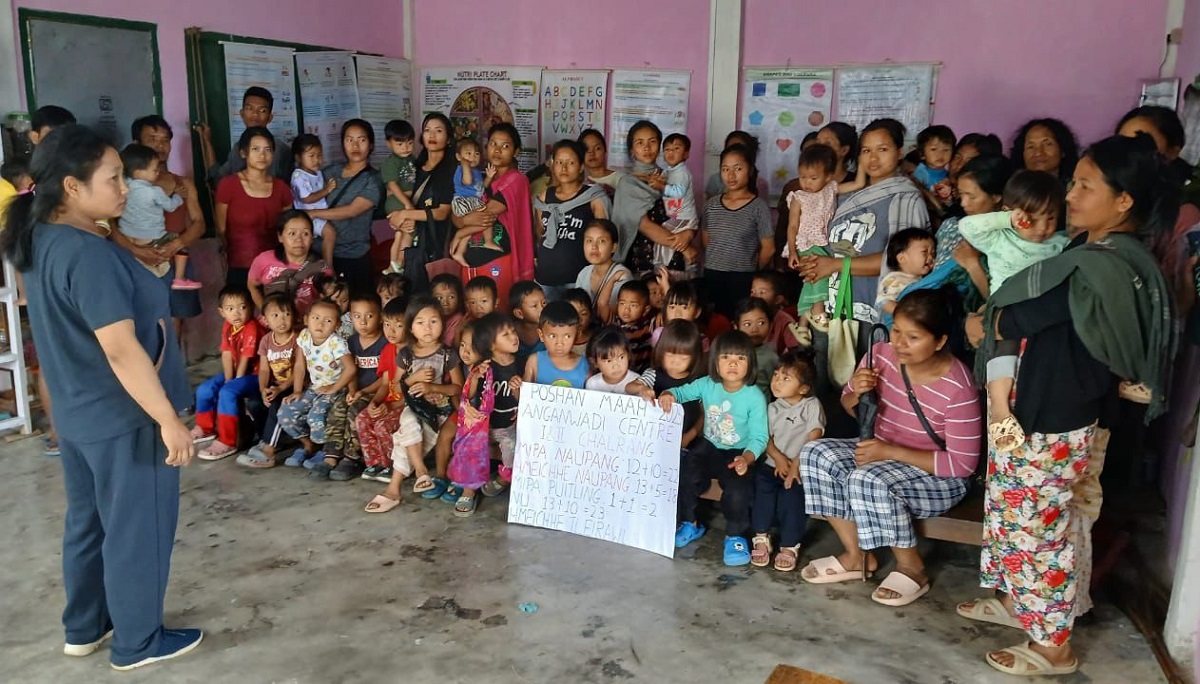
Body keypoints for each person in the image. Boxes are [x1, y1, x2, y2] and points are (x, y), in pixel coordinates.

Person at [960, 134, 1177, 677]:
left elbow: (1020, 317)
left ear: (1123, 200)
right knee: (1016, 514)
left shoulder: (1103, 264)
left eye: (1085, 185)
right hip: (1035, 406)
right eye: (1073, 182)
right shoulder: (1093, 255)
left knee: (1040, 531)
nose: (1072, 194)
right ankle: (1020, 607)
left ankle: (1053, 646)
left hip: (1057, 415)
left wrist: (989, 321)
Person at [4, 124, 201, 669]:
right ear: (72, 186)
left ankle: (85, 626)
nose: (125, 189)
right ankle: (138, 642)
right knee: (138, 528)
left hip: (77, 412)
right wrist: (167, 419)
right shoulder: (85, 253)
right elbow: (119, 348)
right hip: (124, 414)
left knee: (89, 523)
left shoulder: (43, 238)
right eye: (114, 178)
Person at [799, 290, 981, 608]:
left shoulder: (958, 387)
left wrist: (889, 452)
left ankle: (913, 568)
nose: (899, 343)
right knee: (817, 454)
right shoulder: (879, 353)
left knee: (866, 478)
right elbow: (850, 404)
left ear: (939, 341)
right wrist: (858, 392)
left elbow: (962, 466)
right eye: (896, 331)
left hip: (938, 476)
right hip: (881, 452)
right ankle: (857, 558)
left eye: (913, 337)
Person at [958, 171, 1068, 451]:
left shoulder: (1061, 244)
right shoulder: (1000, 238)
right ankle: (999, 408)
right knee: (1002, 349)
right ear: (1012, 214)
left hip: (1040, 322)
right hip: (1005, 313)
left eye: (1051, 217)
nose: (1042, 227)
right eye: (1032, 218)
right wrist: (1007, 220)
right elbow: (968, 227)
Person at [798, 118, 930, 330]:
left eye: (883, 149)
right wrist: (812, 262)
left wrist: (834, 265)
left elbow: (905, 262)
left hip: (873, 314)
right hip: (832, 308)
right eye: (866, 151)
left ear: (899, 152)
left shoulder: (905, 199)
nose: (873, 158)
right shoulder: (848, 195)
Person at [659, 330, 768, 566]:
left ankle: (735, 536)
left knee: (739, 489)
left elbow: (760, 437)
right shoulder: (707, 385)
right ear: (715, 361)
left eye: (740, 358)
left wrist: (747, 459)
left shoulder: (754, 396)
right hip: (710, 445)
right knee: (686, 468)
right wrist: (669, 394)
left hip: (739, 452)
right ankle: (690, 522)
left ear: (750, 363)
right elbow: (681, 392)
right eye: (726, 357)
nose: (732, 364)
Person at [122, 115, 207, 340]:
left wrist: (176, 245)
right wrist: (137, 251)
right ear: (136, 145)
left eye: (165, 140)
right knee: (137, 321)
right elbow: (110, 225)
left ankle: (171, 373)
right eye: (152, 139)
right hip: (135, 260)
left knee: (174, 322)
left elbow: (199, 224)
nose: (161, 145)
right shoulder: (123, 184)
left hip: (174, 260)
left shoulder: (183, 184)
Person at [374, 296, 464, 504]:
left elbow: (457, 387)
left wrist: (433, 387)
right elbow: (395, 387)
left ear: (442, 323)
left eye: (434, 321)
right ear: (411, 328)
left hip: (437, 411)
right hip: (414, 406)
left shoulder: (448, 354)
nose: (428, 328)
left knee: (404, 436)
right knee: (409, 423)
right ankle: (420, 471)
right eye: (420, 323)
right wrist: (413, 378)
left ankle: (394, 488)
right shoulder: (406, 355)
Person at [784, 143, 867, 341]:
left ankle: (803, 324)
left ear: (828, 176)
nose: (807, 183)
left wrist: (862, 163)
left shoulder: (831, 189)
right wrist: (793, 252)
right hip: (805, 243)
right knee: (820, 276)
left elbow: (859, 184)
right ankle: (819, 314)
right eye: (802, 177)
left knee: (811, 280)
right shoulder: (798, 197)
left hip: (824, 243)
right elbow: (792, 226)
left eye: (813, 178)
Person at [751, 350, 825, 572]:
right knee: (762, 494)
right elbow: (765, 438)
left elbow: (814, 437)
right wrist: (778, 458)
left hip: (799, 468)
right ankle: (762, 537)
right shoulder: (772, 407)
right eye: (776, 375)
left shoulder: (811, 406)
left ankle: (789, 545)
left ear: (803, 388)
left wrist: (795, 465)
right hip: (773, 465)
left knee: (792, 500)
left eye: (786, 378)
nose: (777, 381)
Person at [449, 124, 535, 305]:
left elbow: (485, 214)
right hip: (470, 263)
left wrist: (461, 227)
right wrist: (462, 219)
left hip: (499, 263)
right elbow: (457, 215)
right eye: (493, 144)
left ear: (516, 151)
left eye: (505, 146)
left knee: (497, 320)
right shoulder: (479, 178)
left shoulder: (516, 179)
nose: (497, 150)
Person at [313, 292, 386, 482]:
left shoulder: (386, 343)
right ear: (350, 318)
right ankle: (331, 455)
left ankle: (352, 457)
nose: (363, 322)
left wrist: (363, 392)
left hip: (376, 392)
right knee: (337, 409)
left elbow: (386, 378)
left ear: (380, 317)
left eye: (369, 316)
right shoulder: (351, 342)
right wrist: (353, 390)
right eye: (357, 316)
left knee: (355, 411)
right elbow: (350, 370)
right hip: (356, 390)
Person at [306, 120, 384, 292]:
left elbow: (352, 210)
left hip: (352, 257)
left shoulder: (373, 179)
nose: (355, 145)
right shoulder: (330, 171)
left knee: (353, 312)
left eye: (361, 140)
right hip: (317, 253)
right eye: (349, 139)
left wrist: (313, 213)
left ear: (370, 145)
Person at [278, 299, 355, 469]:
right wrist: (297, 390)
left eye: (328, 321)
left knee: (316, 417)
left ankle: (324, 450)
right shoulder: (304, 336)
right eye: (316, 318)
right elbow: (300, 365)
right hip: (314, 388)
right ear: (306, 319)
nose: (320, 324)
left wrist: (334, 388)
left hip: (335, 388)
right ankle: (307, 445)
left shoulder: (336, 343)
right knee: (287, 412)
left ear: (337, 325)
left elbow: (350, 369)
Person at [612, 120, 697, 273]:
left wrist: (688, 234)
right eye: (640, 143)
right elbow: (645, 225)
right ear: (632, 150)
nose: (646, 147)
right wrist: (684, 248)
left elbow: (685, 210)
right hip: (644, 259)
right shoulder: (628, 183)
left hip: (673, 257)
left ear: (659, 147)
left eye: (652, 142)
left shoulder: (668, 177)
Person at [214, 127, 293, 289]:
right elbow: (221, 229)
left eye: (268, 150)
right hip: (239, 265)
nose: (262, 155)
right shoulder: (228, 185)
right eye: (255, 149)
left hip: (274, 267)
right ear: (244, 153)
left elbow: (288, 229)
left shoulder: (282, 188)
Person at [387, 113, 457, 293]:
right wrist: (397, 218)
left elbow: (442, 212)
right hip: (413, 242)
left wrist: (405, 214)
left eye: (438, 131)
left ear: (448, 138)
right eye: (427, 130)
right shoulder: (414, 168)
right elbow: (398, 197)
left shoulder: (452, 170)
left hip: (435, 242)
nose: (432, 135)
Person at [533, 139, 611, 300]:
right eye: (559, 162)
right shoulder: (544, 197)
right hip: (546, 279)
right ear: (552, 165)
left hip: (579, 280)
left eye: (571, 162)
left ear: (581, 166)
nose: (563, 167)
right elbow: (539, 233)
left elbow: (606, 239)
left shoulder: (593, 197)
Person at [703, 144, 775, 317]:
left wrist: (750, 267)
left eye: (738, 169)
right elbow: (706, 240)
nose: (731, 175)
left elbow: (769, 248)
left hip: (743, 277)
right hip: (713, 274)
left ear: (750, 170)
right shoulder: (711, 205)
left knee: (740, 320)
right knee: (714, 321)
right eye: (725, 169)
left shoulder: (758, 207)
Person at [191, 286, 263, 460]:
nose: (237, 313)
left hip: (255, 375)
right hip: (237, 372)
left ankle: (227, 441)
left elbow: (246, 357)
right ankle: (205, 428)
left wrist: (233, 382)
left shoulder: (252, 327)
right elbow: (227, 353)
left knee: (227, 392)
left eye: (242, 307)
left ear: (251, 308)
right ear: (222, 312)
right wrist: (228, 378)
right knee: (205, 389)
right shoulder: (228, 327)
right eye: (230, 309)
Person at [115, 144, 197, 290]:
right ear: (139, 172)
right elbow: (170, 206)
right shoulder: (155, 191)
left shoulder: (123, 187)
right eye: (154, 169)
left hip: (127, 236)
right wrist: (178, 196)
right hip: (152, 238)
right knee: (182, 245)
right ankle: (179, 278)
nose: (158, 172)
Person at [237, 293, 299, 469]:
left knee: (278, 402)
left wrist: (281, 389)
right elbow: (264, 369)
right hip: (275, 385)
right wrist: (264, 388)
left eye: (287, 314)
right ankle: (269, 439)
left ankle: (268, 453)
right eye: (275, 315)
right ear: (265, 320)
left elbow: (300, 370)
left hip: (294, 385)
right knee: (255, 403)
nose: (282, 320)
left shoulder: (298, 339)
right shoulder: (266, 341)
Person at [356, 296, 408, 485]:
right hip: (389, 402)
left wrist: (393, 405)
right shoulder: (388, 350)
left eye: (398, 325)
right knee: (362, 418)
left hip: (405, 405)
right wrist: (375, 402)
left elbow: (415, 393)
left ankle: (394, 466)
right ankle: (375, 463)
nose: (391, 331)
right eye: (386, 324)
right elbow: (385, 384)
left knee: (382, 425)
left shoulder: (416, 352)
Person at [446, 320, 492, 517]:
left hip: (485, 422)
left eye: (472, 347)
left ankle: (469, 490)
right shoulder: (470, 367)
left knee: (470, 445)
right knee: (458, 442)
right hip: (468, 419)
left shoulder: (487, 368)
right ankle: (459, 479)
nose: (465, 351)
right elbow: (466, 394)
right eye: (463, 345)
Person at [247, 210, 328, 321]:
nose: (299, 240)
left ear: (312, 238)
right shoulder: (264, 260)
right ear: (280, 237)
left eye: (305, 234)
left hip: (307, 328)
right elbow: (252, 286)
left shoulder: (320, 266)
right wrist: (266, 311)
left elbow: (328, 298)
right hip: (273, 327)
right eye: (292, 233)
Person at [197, 86, 292, 181]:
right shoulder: (238, 148)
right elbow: (218, 179)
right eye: (249, 108)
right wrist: (207, 142)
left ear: (270, 117)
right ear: (242, 113)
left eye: (262, 110)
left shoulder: (279, 150)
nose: (255, 114)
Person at [476, 312, 523, 497]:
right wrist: (475, 376)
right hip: (485, 425)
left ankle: (505, 478)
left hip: (508, 425)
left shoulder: (522, 364)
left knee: (510, 447)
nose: (514, 336)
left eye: (513, 331)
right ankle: (467, 485)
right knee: (469, 448)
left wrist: (517, 389)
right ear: (491, 345)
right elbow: (471, 394)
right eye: (506, 335)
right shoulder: (484, 367)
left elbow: (523, 399)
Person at [448, 138, 502, 266]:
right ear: (458, 156)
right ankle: (487, 240)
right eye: (468, 153)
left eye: (476, 154)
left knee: (472, 227)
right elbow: (467, 181)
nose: (473, 157)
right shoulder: (460, 169)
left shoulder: (477, 172)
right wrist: (464, 164)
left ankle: (459, 252)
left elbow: (482, 188)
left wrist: (488, 177)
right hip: (463, 202)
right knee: (487, 215)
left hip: (472, 202)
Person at [573, 219, 632, 323]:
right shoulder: (584, 273)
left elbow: (608, 315)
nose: (594, 247)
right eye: (589, 241)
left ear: (614, 247)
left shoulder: (622, 276)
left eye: (601, 241)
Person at [381, 119, 418, 275]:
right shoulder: (391, 163)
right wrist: (407, 204)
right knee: (409, 230)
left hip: (406, 201)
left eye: (409, 143)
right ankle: (400, 262)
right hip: (397, 202)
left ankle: (393, 265)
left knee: (399, 235)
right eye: (400, 144)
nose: (405, 147)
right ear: (388, 144)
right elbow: (392, 186)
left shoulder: (412, 160)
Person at [658, 133, 698, 273]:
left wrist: (661, 186)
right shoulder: (669, 171)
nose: (671, 152)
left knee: (662, 232)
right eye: (667, 149)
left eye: (676, 149)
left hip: (684, 217)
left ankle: (691, 267)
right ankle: (686, 264)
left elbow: (678, 193)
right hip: (676, 215)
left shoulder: (682, 172)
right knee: (673, 241)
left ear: (686, 154)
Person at [523, 300, 587, 387]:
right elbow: (524, 397)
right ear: (541, 335)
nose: (559, 343)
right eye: (552, 336)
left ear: (577, 335)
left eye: (567, 336)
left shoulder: (585, 365)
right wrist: (515, 388)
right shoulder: (534, 361)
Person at [875, 228, 936, 316]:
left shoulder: (924, 279)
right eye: (924, 252)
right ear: (902, 258)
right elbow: (883, 302)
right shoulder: (894, 279)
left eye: (933, 254)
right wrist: (907, 316)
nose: (930, 258)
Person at [289, 134, 335, 239]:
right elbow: (307, 198)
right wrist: (327, 190)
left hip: (321, 214)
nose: (316, 160)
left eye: (319, 155)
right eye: (311, 156)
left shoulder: (318, 172)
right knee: (330, 233)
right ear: (298, 157)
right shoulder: (298, 176)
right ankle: (328, 256)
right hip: (308, 217)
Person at [1010, 118, 1079, 185]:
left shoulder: (1075, 189)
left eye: (1048, 144)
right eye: (1030, 147)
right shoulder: (1013, 191)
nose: (1038, 153)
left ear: (1063, 150)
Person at [704, 130, 769, 199]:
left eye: (740, 149)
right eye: (731, 149)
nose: (735, 153)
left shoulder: (761, 184)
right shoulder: (715, 180)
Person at [734, 297, 779, 395]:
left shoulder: (772, 358)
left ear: (770, 325)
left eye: (761, 323)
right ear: (736, 326)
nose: (754, 329)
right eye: (747, 324)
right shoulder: (728, 353)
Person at [615, 280, 655, 373]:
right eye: (622, 303)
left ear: (646, 309)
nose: (626, 309)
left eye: (633, 305)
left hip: (641, 375)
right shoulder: (614, 324)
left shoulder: (647, 328)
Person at [586, 326, 637, 393]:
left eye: (621, 357)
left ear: (628, 355)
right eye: (608, 361)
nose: (616, 366)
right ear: (595, 363)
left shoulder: (637, 382)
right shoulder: (592, 384)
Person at [579, 128, 626, 199]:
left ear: (605, 152)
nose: (592, 153)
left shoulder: (621, 179)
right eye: (586, 149)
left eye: (597, 148)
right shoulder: (580, 183)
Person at [912, 125, 957, 197]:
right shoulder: (920, 173)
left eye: (946, 150)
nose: (940, 154)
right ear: (922, 154)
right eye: (934, 149)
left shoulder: (949, 174)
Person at [509, 280, 547, 365]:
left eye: (544, 303)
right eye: (534, 306)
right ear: (519, 313)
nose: (542, 309)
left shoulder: (550, 329)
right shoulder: (510, 332)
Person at [432, 273, 466, 346]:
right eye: (439, 298)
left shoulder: (459, 320)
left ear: (459, 298)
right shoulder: (430, 316)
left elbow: (447, 346)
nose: (445, 302)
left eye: (451, 297)